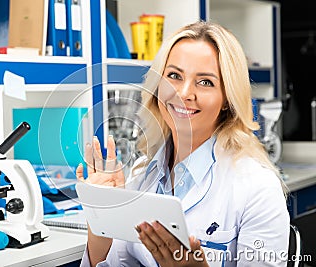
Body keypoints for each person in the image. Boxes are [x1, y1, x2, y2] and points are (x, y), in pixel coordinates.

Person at [76, 21, 289, 266]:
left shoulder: (258, 188)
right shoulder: (142, 174)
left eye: (205, 82)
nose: (184, 93)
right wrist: (101, 218)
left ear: (227, 100)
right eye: (174, 76)